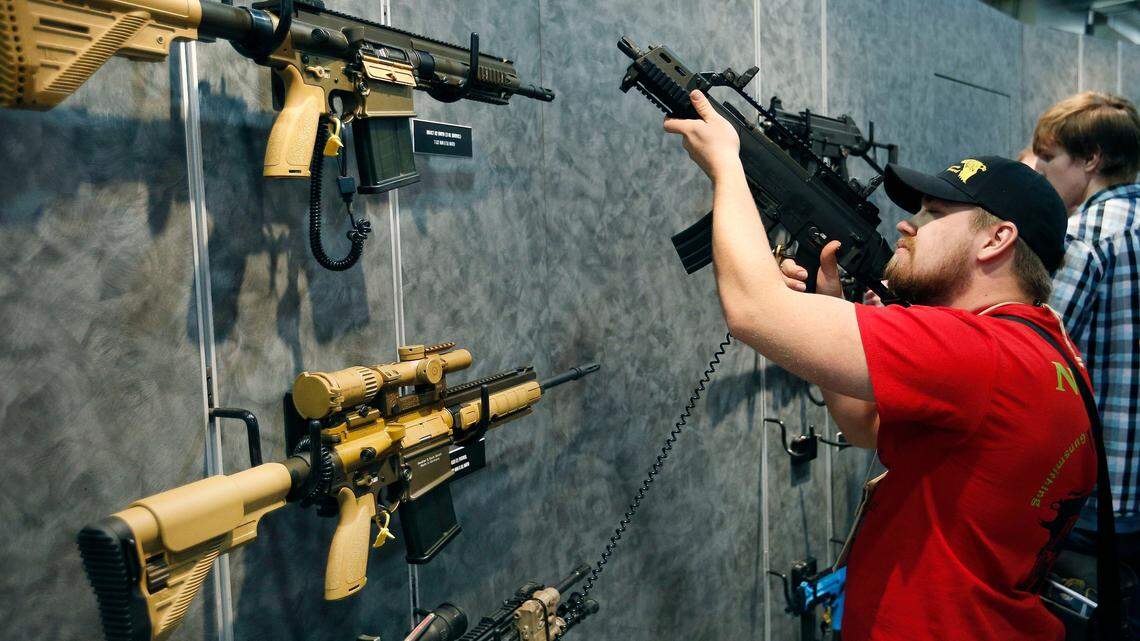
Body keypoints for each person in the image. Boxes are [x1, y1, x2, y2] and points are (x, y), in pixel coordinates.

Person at [663, 89, 1095, 640]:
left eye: (934, 212)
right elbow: (867, 426)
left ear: (997, 239)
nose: (908, 225)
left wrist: (728, 165)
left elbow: (754, 310)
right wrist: (830, 309)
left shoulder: (978, 351)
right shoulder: (1044, 348)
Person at [1032, 92, 1140, 551]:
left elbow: (1036, 351)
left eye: (1049, 156)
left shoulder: (1084, 236)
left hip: (1099, 494)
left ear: (1091, 158)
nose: (1040, 169)